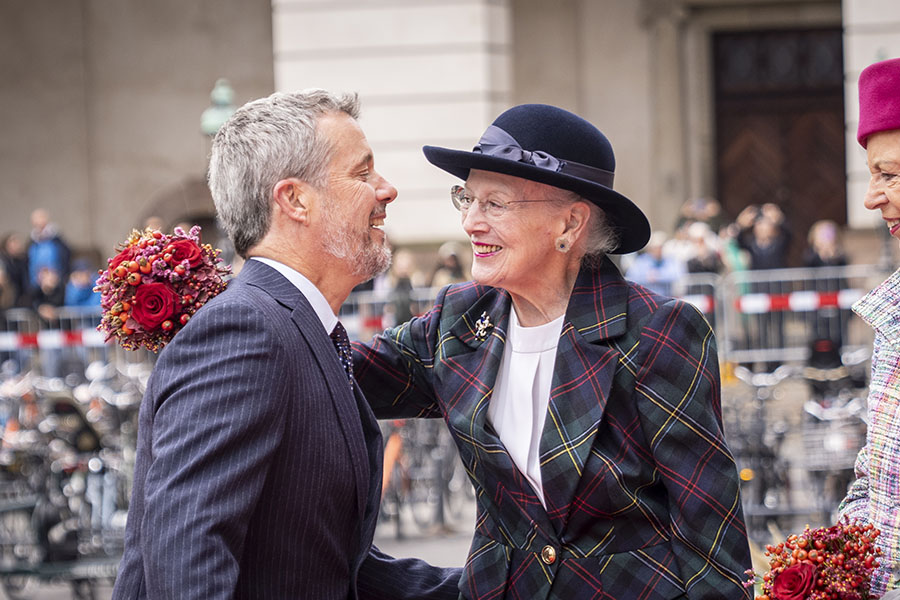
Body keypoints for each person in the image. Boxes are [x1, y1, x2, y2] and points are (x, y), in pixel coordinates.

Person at [353, 104, 752, 598]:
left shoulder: (656, 331)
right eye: (467, 198)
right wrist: (246, 296)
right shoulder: (461, 319)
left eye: (495, 203)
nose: (471, 222)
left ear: (570, 223)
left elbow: (710, 533)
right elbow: (341, 371)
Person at [112, 90, 460, 600]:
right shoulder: (243, 331)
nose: (387, 190)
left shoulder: (296, 329)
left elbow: (329, 563)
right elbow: (187, 561)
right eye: (362, 174)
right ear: (295, 200)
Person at [838, 56, 900, 597]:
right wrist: (830, 575)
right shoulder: (892, 316)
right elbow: (880, 486)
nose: (871, 196)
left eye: (890, 174)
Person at [27, 208, 71, 289]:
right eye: (36, 219)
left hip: (56, 277)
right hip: (37, 279)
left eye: (41, 218)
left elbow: (65, 256)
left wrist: (58, 275)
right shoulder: (32, 241)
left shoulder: (57, 239)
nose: (39, 221)